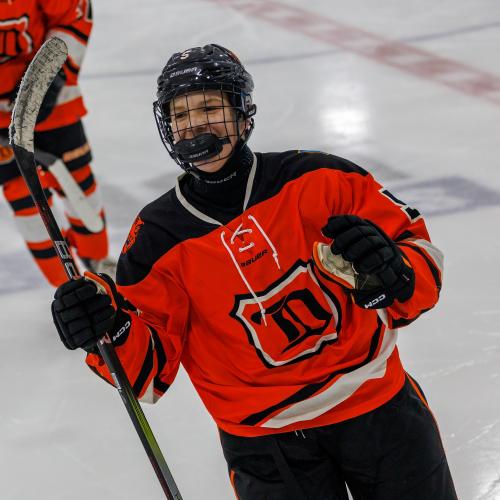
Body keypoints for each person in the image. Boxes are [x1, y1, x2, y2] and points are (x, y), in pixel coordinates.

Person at [51, 44, 457, 499]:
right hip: (267, 448)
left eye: (209, 107)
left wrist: (394, 270)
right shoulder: (155, 240)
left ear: (243, 114)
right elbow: (145, 374)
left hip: (379, 410)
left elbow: (419, 261)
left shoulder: (320, 179)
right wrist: (107, 328)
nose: (193, 124)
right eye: (180, 114)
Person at [0, 0, 115, 286]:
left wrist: (53, 76)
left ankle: (98, 262)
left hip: (51, 100)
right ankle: (66, 285)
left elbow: (74, 15)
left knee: (79, 184)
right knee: (25, 199)